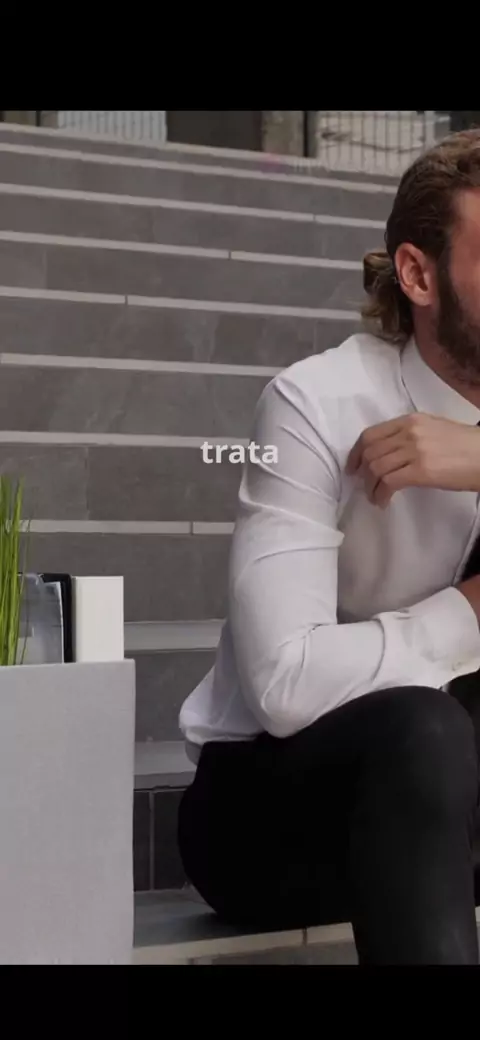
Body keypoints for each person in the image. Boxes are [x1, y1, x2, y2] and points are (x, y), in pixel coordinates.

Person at [178, 129, 480, 965]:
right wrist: (467, 615)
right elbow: (283, 683)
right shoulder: (315, 404)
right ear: (418, 275)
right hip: (269, 808)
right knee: (424, 728)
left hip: (449, 804)